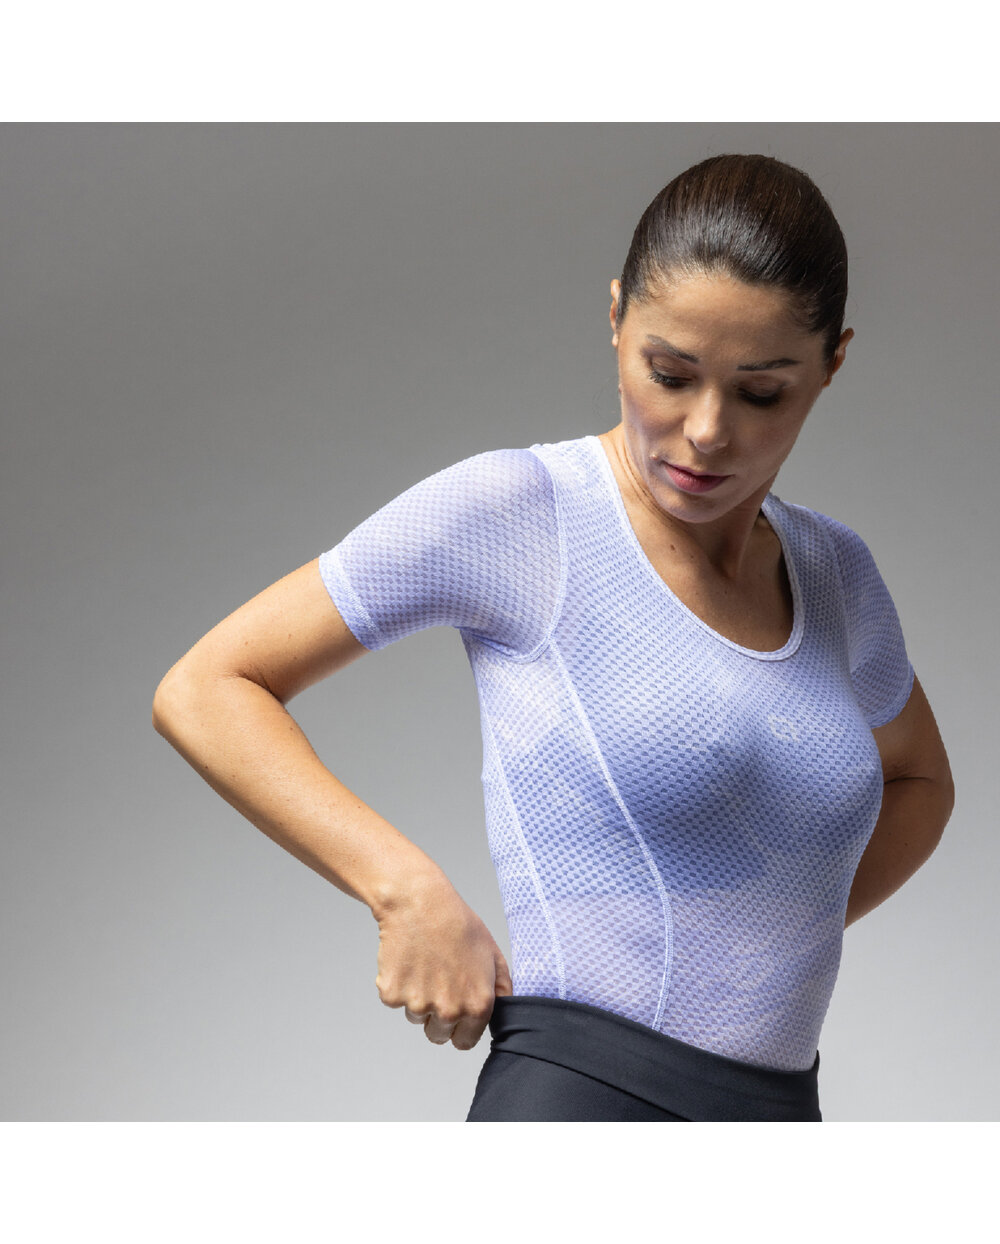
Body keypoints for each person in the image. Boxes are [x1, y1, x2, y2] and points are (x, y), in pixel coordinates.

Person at [152, 154, 954, 1122]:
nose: (706, 430)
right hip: (579, 1101)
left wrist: (775, 930)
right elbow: (206, 686)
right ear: (616, 318)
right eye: (669, 374)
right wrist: (403, 888)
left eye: (761, 392)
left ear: (832, 363)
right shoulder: (521, 515)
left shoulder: (834, 572)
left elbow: (920, 779)